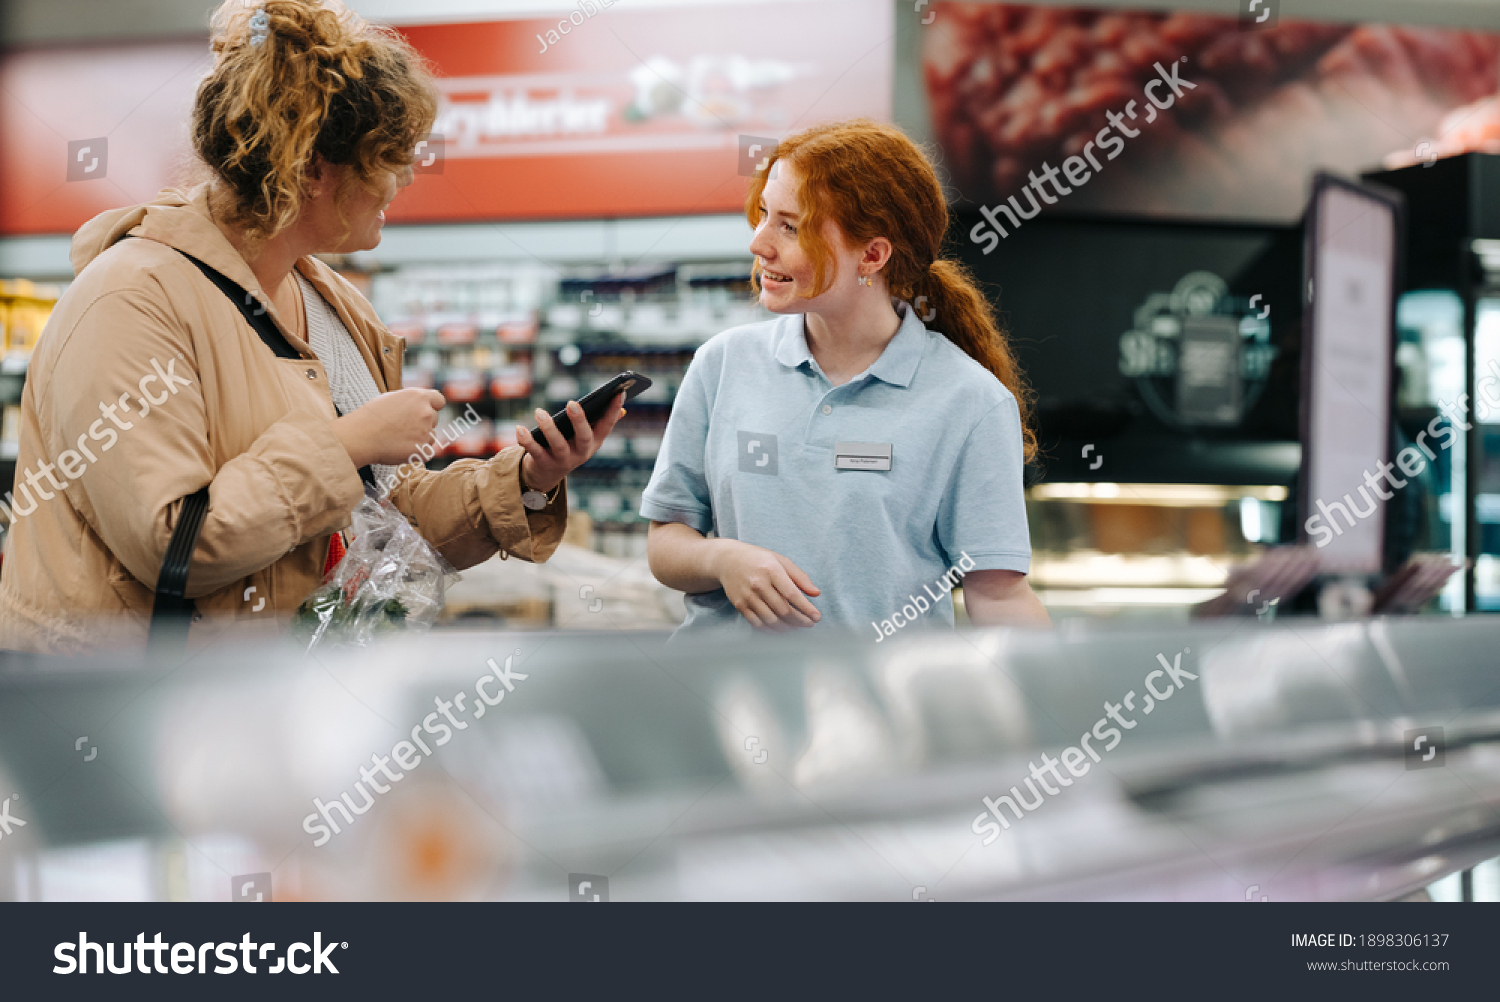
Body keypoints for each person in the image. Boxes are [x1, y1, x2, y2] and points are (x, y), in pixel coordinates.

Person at [0, 0, 622, 654]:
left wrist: (524, 481)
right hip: (143, 717)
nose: (405, 177)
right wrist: (347, 442)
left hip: (286, 705)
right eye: (387, 157)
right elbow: (174, 545)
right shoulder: (130, 300)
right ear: (313, 168)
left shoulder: (335, 305)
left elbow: (384, 513)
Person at [641, 119, 1050, 636]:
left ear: (873, 255)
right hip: (724, 700)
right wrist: (721, 559)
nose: (758, 243)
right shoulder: (722, 365)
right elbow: (666, 541)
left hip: (882, 708)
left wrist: (1054, 697)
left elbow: (998, 593)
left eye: (790, 227)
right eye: (764, 214)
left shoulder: (971, 402)